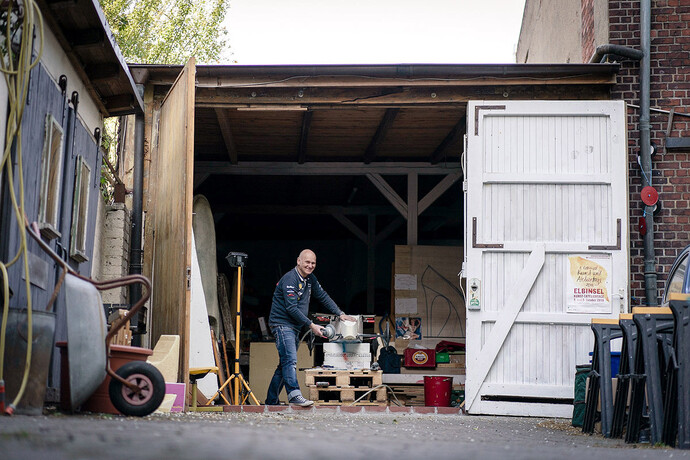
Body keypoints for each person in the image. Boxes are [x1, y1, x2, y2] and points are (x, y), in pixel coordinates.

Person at [265, 249, 355, 406]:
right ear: (298, 261)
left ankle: (271, 402)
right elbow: (291, 309)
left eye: (313, 263)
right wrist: (311, 325)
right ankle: (294, 395)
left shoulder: (310, 279)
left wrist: (340, 313)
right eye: (307, 262)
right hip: (282, 324)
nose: (310, 265)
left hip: (294, 327)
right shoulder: (290, 279)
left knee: (284, 364)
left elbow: (322, 295)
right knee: (290, 361)